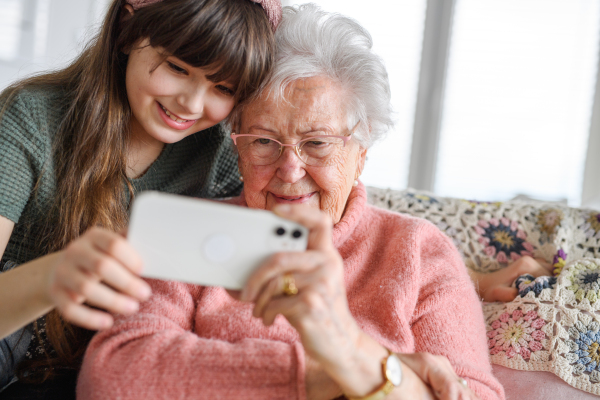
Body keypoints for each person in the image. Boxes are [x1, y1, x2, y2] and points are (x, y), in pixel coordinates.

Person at [77, 5, 505, 399]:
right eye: (263, 141)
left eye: (317, 143)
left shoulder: (419, 253)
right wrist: (322, 374)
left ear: (361, 154)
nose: (290, 169)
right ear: (237, 150)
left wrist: (349, 350)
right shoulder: (192, 229)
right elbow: (111, 374)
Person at [0, 0, 280, 395]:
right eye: (177, 67)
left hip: (104, 365)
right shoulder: (31, 116)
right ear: (128, 30)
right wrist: (53, 277)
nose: (192, 104)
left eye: (223, 87)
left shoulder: (221, 156)